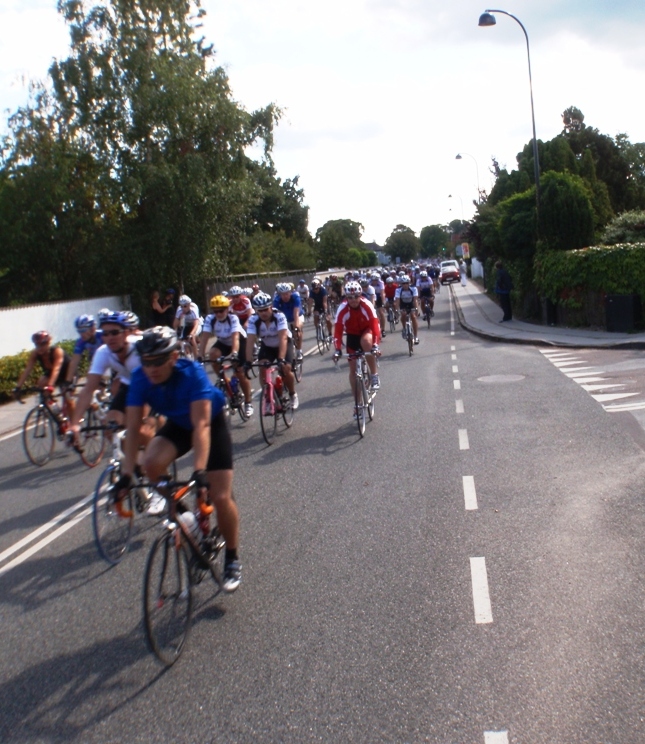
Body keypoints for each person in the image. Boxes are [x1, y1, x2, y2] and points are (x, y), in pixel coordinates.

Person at [116, 326, 241, 592]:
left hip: (209, 423)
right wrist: (126, 475)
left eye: (159, 360)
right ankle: (187, 518)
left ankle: (232, 558)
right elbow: (133, 430)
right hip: (178, 424)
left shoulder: (191, 373)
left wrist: (199, 472)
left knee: (220, 497)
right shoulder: (140, 378)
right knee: (150, 464)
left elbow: (202, 426)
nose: (152, 368)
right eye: (147, 361)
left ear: (173, 357)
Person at [200, 294, 253, 417]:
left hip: (239, 341)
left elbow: (235, 337)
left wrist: (234, 353)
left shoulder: (232, 318)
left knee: (240, 372)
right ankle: (226, 381)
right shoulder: (210, 319)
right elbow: (205, 338)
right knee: (212, 354)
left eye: (221, 310)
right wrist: (199, 356)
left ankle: (248, 402)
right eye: (216, 311)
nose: (218, 314)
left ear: (227, 309)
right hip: (223, 342)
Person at [244, 292, 299, 410]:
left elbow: (283, 338)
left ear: (270, 307)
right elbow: (249, 341)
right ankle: (268, 397)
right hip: (267, 345)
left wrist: (281, 359)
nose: (263, 313)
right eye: (260, 310)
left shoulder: (279, 316)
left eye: (265, 309)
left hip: (283, 343)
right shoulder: (253, 320)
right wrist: (248, 361)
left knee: (285, 369)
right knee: (263, 367)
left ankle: (292, 394)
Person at [332, 281, 381, 409]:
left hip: (367, 330)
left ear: (361, 295)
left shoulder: (367, 305)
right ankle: (357, 404)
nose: (353, 300)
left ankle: (374, 375)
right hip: (352, 335)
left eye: (356, 297)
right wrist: (337, 349)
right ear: (346, 298)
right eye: (350, 297)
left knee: (366, 343)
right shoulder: (342, 309)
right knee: (353, 371)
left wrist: (375, 345)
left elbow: (375, 327)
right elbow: (337, 332)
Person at [14, 331, 73, 419]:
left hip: (68, 373)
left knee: (67, 396)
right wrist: (18, 387)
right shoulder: (35, 353)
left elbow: (56, 369)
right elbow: (27, 370)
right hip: (52, 373)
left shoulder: (57, 351)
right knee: (41, 382)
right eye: (37, 345)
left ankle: (75, 423)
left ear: (49, 343)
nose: (40, 348)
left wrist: (50, 386)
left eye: (43, 344)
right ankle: (54, 410)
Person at [273, 282, 303, 361]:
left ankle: (299, 350)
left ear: (290, 292)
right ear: (280, 295)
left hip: (297, 316)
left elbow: (296, 313)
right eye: (283, 294)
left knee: (297, 330)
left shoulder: (295, 297)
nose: (285, 296)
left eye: (287, 294)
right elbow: (275, 314)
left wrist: (296, 327)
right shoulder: (277, 300)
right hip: (285, 319)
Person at [174, 294, 201, 359]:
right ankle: (188, 356)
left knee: (192, 338)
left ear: (189, 305)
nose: (183, 308)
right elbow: (175, 324)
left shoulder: (193, 309)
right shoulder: (179, 310)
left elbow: (196, 324)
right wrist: (179, 318)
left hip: (197, 323)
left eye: (185, 306)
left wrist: (192, 334)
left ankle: (196, 359)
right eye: (181, 306)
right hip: (186, 324)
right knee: (183, 340)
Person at [394, 276, 419, 344]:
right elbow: (397, 301)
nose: (405, 285)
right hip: (403, 304)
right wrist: (396, 310)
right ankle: (404, 328)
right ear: (401, 284)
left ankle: (416, 336)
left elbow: (415, 300)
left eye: (406, 283)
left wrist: (416, 309)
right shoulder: (398, 290)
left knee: (413, 317)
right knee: (404, 314)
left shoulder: (413, 288)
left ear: (409, 283)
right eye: (403, 283)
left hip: (411, 303)